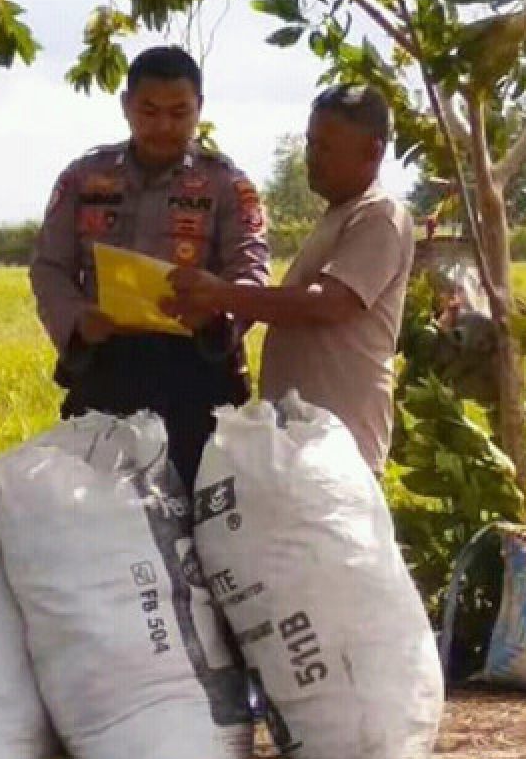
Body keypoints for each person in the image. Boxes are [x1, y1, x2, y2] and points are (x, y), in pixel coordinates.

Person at [30, 45, 269, 490]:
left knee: (196, 516)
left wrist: (217, 309)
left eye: (179, 113)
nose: (163, 126)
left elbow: (250, 271)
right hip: (106, 368)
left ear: (200, 109)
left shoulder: (226, 184)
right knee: (101, 512)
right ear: (126, 106)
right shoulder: (83, 177)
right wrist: (79, 320)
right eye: (149, 111)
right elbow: (49, 267)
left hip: (197, 372)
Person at [166, 84, 414, 474]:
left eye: (326, 148)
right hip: (302, 442)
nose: (312, 159)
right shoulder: (340, 215)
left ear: (373, 151)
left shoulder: (379, 216)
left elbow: (327, 304)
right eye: (311, 144)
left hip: (340, 447)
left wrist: (220, 295)